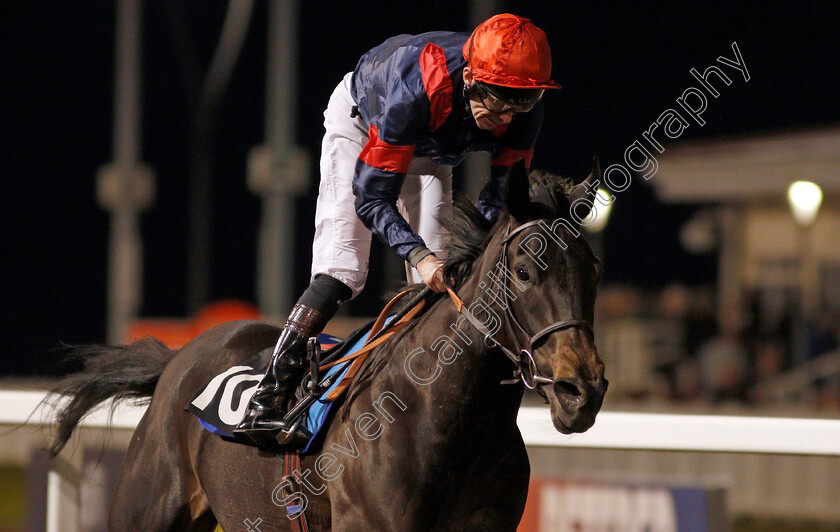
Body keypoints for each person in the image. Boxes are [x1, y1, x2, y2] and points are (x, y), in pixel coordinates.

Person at [234, 13, 561, 445]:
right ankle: (267, 398)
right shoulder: (417, 89)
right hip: (365, 126)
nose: (504, 115)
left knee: (444, 284)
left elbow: (500, 198)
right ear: (470, 79)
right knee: (344, 270)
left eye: (520, 101)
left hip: (430, 149)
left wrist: (467, 255)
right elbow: (373, 198)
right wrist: (419, 255)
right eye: (496, 97)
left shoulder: (522, 111)